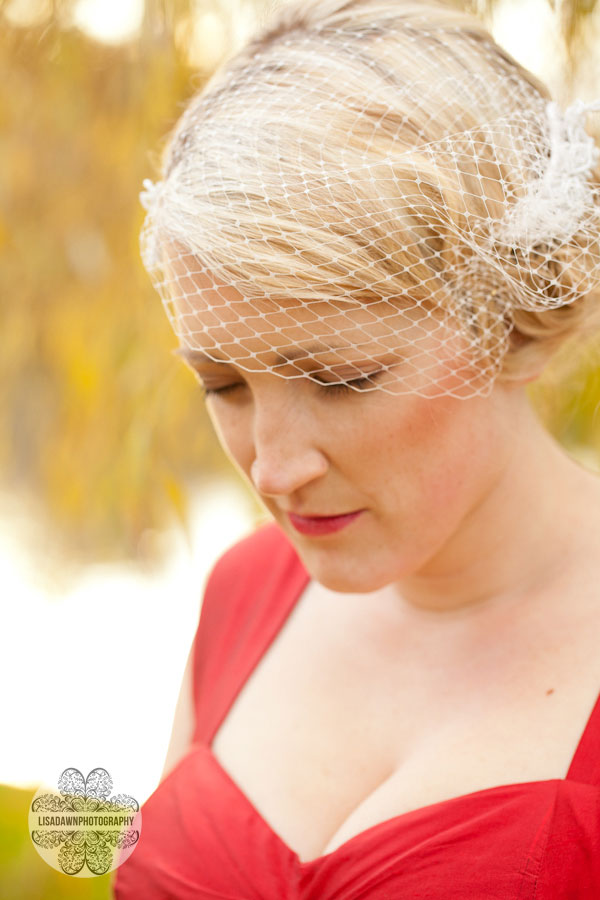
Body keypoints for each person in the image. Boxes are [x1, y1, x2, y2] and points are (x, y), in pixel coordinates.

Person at [113, 0, 600, 896]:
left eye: (340, 381)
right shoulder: (243, 591)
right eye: (224, 386)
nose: (272, 468)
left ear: (517, 321)